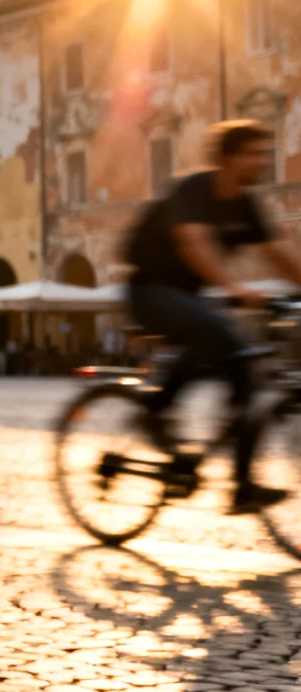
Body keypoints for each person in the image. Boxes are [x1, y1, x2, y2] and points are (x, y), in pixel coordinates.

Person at [124, 120, 301, 513]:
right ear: (228, 157)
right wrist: (232, 287)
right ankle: (155, 413)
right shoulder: (194, 189)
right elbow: (193, 242)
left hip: (188, 297)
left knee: (243, 372)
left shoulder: (245, 203)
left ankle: (242, 487)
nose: (264, 160)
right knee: (216, 332)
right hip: (148, 291)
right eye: (254, 153)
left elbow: (277, 253)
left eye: (264, 152)